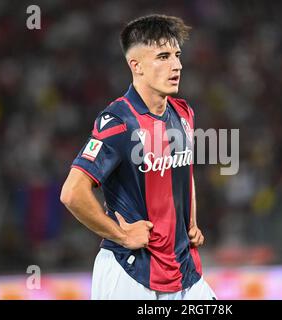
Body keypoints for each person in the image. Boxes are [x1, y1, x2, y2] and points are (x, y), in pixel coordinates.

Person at [60, 14, 216, 300]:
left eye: (177, 55)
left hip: (184, 271)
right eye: (163, 56)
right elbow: (72, 193)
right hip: (130, 273)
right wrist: (122, 235)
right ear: (137, 66)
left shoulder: (183, 114)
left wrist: (190, 222)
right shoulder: (118, 120)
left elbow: (183, 172)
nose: (177, 65)